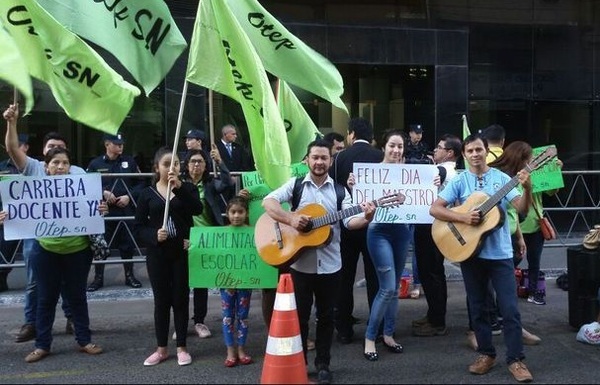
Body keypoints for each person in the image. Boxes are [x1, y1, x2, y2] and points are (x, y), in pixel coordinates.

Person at [263, 139, 376, 384]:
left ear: (330, 161)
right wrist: (291, 219)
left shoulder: (339, 191)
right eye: (315, 157)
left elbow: (349, 222)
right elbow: (268, 202)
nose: (319, 162)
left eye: (324, 158)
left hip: (331, 265)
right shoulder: (295, 186)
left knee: (326, 317)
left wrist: (366, 218)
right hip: (300, 265)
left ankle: (323, 363)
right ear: (307, 160)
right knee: (300, 317)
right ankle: (300, 362)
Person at [429, 133, 534, 383]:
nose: (475, 154)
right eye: (470, 151)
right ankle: (486, 354)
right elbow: (435, 208)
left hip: (500, 255)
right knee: (478, 308)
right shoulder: (460, 181)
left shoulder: (502, 179)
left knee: (509, 309)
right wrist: (463, 218)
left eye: (479, 150)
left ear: (486, 151)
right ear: (464, 155)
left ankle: (516, 360)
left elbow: (521, 209)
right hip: (470, 254)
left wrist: (527, 188)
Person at [3, 104, 84, 343]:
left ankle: (72, 320)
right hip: (36, 237)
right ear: (44, 154)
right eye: (52, 151)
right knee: (33, 282)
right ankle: (32, 324)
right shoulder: (34, 168)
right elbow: (10, 148)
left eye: (61, 152)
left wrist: (102, 205)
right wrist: (12, 123)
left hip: (70, 240)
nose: (58, 162)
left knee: (70, 283)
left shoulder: (77, 172)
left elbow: (89, 200)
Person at [133, 146, 203, 367]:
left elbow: (196, 209)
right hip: (158, 254)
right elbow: (138, 227)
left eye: (175, 163)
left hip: (180, 252)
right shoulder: (147, 194)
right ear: (156, 168)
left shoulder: (188, 189)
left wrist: (180, 188)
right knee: (161, 301)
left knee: (180, 300)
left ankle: (182, 346)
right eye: (166, 164)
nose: (171, 167)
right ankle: (161, 348)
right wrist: (154, 235)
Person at [346, 130, 411, 361]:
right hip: (379, 231)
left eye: (400, 146)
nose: (396, 150)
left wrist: (437, 177)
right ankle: (370, 337)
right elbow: (357, 200)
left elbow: (430, 189)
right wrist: (354, 185)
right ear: (383, 147)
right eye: (392, 145)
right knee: (387, 288)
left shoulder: (410, 173)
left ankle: (389, 334)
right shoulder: (369, 173)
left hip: (403, 231)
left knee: (394, 287)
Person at [328, 117, 383, 344]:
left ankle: (343, 328)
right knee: (375, 278)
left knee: (345, 278)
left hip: (347, 225)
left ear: (350, 134)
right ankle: (377, 328)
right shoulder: (381, 156)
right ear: (371, 136)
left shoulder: (340, 157)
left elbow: (332, 188)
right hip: (375, 224)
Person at [178, 145, 234, 341]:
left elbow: (228, 183)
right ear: (186, 165)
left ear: (205, 165)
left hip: (205, 240)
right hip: (183, 239)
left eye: (200, 162)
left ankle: (199, 321)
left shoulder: (210, 184)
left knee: (200, 284)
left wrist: (220, 161)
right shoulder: (179, 184)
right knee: (181, 284)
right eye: (192, 161)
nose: (196, 165)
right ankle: (181, 323)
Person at [412, 134, 462, 337]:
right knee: (434, 272)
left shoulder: (443, 170)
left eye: (439, 147)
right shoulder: (453, 172)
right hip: (435, 226)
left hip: (432, 226)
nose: (435, 150)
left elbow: (438, 176)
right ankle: (434, 314)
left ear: (450, 153)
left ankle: (437, 321)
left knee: (430, 272)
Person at [86, 132, 145, 291]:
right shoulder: (95, 164)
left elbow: (141, 184)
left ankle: (129, 275)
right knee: (101, 245)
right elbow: (86, 185)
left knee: (127, 244)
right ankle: (98, 278)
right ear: (107, 144)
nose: (120, 146)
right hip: (104, 211)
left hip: (125, 209)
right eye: (116, 143)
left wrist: (129, 196)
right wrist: (103, 192)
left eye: (121, 143)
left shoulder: (129, 162)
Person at [220, 196, 254, 367]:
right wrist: (193, 245)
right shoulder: (220, 234)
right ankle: (230, 350)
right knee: (227, 317)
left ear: (246, 213)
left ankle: (241, 348)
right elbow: (212, 253)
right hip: (226, 283)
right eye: (233, 212)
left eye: (240, 212)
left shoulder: (252, 233)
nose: (236, 216)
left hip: (246, 282)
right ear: (227, 214)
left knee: (243, 316)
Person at [0, 133, 28, 292]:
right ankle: (2, 278)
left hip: (32, 219)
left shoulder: (33, 167)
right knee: (5, 252)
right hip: (8, 219)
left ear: (26, 147)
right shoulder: (1, 168)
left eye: (21, 145)